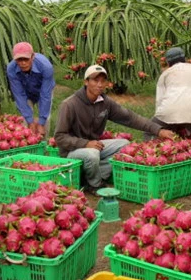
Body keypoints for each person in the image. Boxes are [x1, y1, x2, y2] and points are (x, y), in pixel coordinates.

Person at [54, 64, 177, 193]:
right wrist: (85, 144)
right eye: (95, 80)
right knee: (92, 154)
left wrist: (158, 130)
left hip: (93, 146)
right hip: (71, 152)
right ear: (86, 82)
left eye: (103, 81)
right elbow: (60, 137)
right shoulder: (69, 104)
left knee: (124, 146)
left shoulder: (105, 102)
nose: (100, 85)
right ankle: (95, 185)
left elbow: (130, 118)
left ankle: (89, 176)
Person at [6, 42, 55, 137]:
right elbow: (19, 94)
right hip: (25, 92)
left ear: (32, 57)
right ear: (14, 59)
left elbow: (45, 95)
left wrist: (41, 122)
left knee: (46, 119)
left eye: (26, 59)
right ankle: (28, 145)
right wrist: (30, 120)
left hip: (43, 89)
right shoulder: (11, 69)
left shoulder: (46, 66)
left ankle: (44, 145)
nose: (23, 63)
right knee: (25, 120)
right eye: (19, 60)